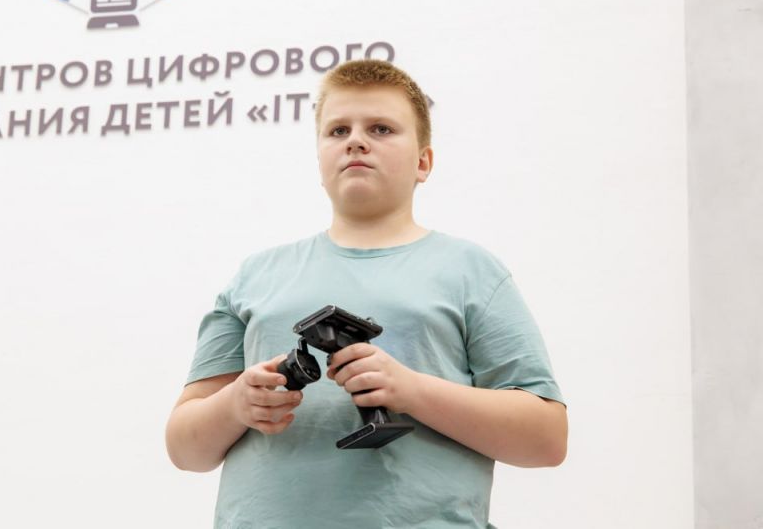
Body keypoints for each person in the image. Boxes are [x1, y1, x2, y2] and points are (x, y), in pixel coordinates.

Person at [164, 59, 567, 528]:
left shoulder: (471, 271)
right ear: (319, 160)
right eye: (338, 131)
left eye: (381, 129)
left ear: (423, 162)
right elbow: (185, 449)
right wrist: (236, 403)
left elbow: (546, 439)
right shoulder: (255, 276)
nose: (356, 141)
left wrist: (411, 390)